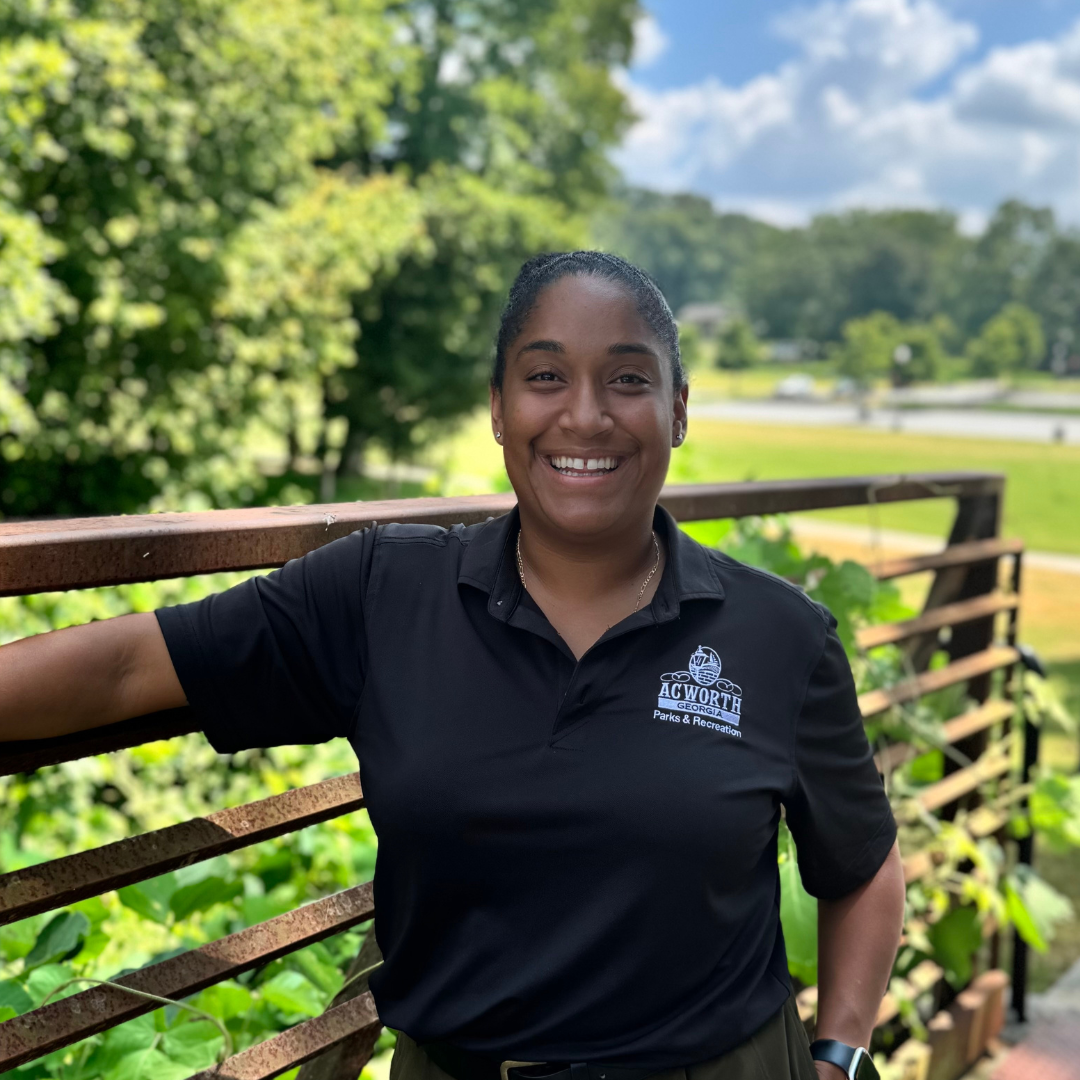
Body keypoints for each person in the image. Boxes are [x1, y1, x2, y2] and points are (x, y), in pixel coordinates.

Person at [0, 252, 905, 1080]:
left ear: (676, 408)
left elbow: (861, 862)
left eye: (628, 379)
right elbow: (127, 669)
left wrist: (841, 1054)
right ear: (499, 407)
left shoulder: (780, 635)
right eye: (545, 376)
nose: (584, 414)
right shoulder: (382, 592)